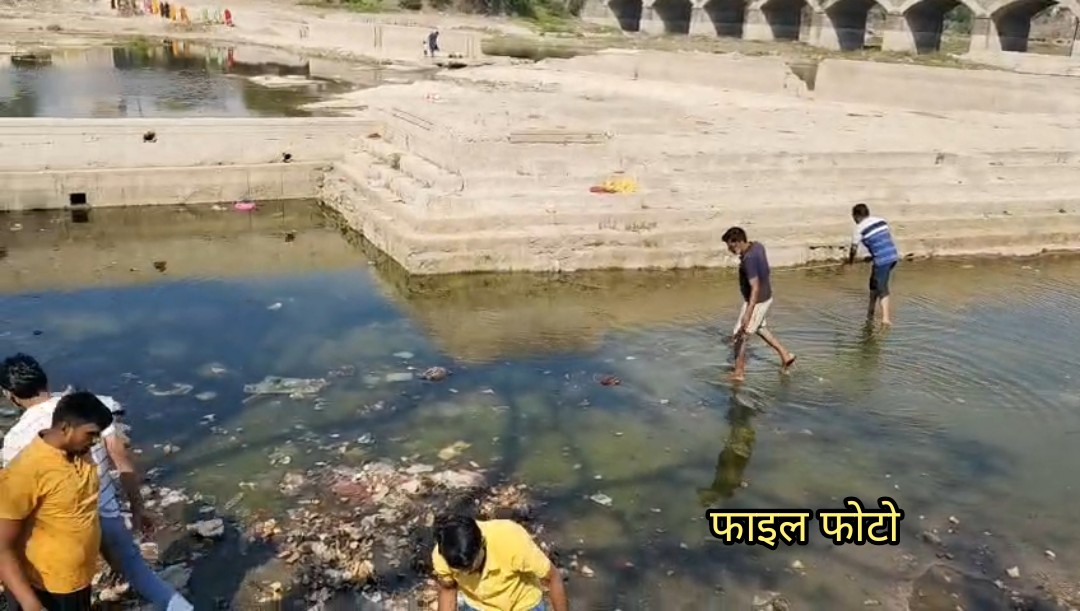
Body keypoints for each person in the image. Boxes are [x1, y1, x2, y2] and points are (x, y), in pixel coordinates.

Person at [0, 354, 194, 611]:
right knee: (138, 572)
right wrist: (137, 507)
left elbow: (20, 511)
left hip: (68, 538)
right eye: (90, 437)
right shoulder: (92, 409)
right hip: (94, 524)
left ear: (10, 395)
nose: (92, 443)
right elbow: (122, 463)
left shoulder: (19, 439)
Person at [0, 391, 115, 611]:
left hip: (77, 581)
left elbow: (86, 513)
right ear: (65, 428)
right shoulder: (26, 472)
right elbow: (2, 546)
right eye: (90, 434)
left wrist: (110, 556)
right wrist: (30, 603)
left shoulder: (81, 455)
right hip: (44, 587)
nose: (95, 442)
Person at [432, 515, 568, 611]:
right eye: (460, 570)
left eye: (471, 567)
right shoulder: (442, 555)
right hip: (479, 606)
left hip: (523, 604)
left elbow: (552, 577)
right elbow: (448, 589)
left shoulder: (511, 539)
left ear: (482, 544)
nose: (466, 573)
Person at [721, 227, 796, 382]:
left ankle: (739, 372)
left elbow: (755, 287)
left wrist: (748, 312)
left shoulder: (748, 259)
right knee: (760, 329)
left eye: (731, 245)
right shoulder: (757, 246)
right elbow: (766, 271)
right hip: (765, 297)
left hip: (757, 301)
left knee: (740, 336)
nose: (729, 249)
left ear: (739, 241)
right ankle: (785, 355)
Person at [848, 203, 899, 326]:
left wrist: (850, 261)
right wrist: (872, 256)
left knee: (882, 288)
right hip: (893, 256)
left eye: (854, 217)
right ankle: (870, 312)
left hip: (882, 260)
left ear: (856, 216)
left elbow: (853, 249)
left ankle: (885, 319)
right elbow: (881, 240)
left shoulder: (859, 229)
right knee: (873, 284)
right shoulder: (881, 221)